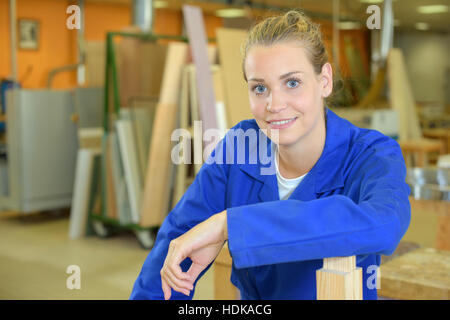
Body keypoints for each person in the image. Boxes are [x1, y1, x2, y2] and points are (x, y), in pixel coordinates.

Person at [130, 10, 411, 300]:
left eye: (292, 83)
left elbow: (383, 224)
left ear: (324, 80)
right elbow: (177, 243)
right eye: (260, 88)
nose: (274, 104)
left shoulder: (371, 154)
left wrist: (230, 225)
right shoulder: (241, 147)